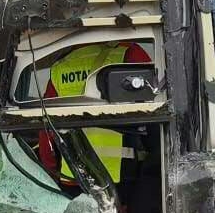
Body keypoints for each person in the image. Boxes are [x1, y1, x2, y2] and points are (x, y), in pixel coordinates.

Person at [32, 39, 150, 187]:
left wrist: (51, 172)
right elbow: (155, 111)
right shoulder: (129, 53)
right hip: (123, 177)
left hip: (74, 176)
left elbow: (46, 127)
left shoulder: (60, 67)